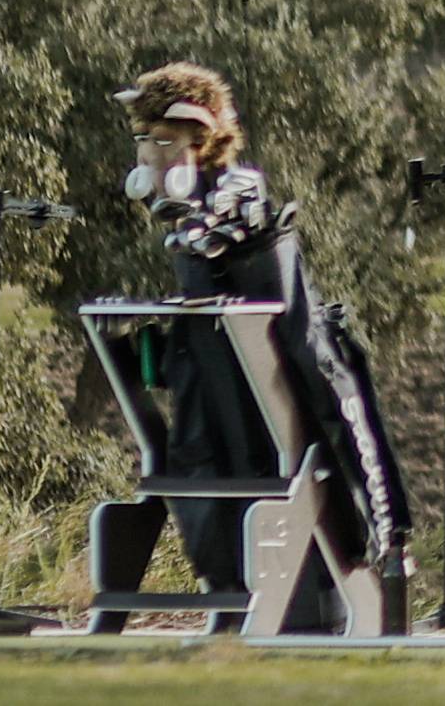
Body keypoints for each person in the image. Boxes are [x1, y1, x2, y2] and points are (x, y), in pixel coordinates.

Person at [117, 65, 413, 615]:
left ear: (200, 140)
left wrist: (205, 229)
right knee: (196, 462)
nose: (154, 156)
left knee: (318, 433)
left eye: (166, 141)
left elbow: (235, 218)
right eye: (146, 140)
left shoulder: (236, 188)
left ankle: (365, 568)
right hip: (211, 363)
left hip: (276, 357)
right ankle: (229, 595)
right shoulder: (177, 206)